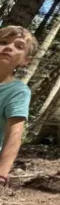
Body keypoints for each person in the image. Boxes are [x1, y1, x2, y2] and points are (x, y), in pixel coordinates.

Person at [0, 26, 38, 187]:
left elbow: (14, 135)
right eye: (3, 42)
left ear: (25, 61)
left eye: (19, 46)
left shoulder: (17, 91)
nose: (8, 47)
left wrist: (1, 173)